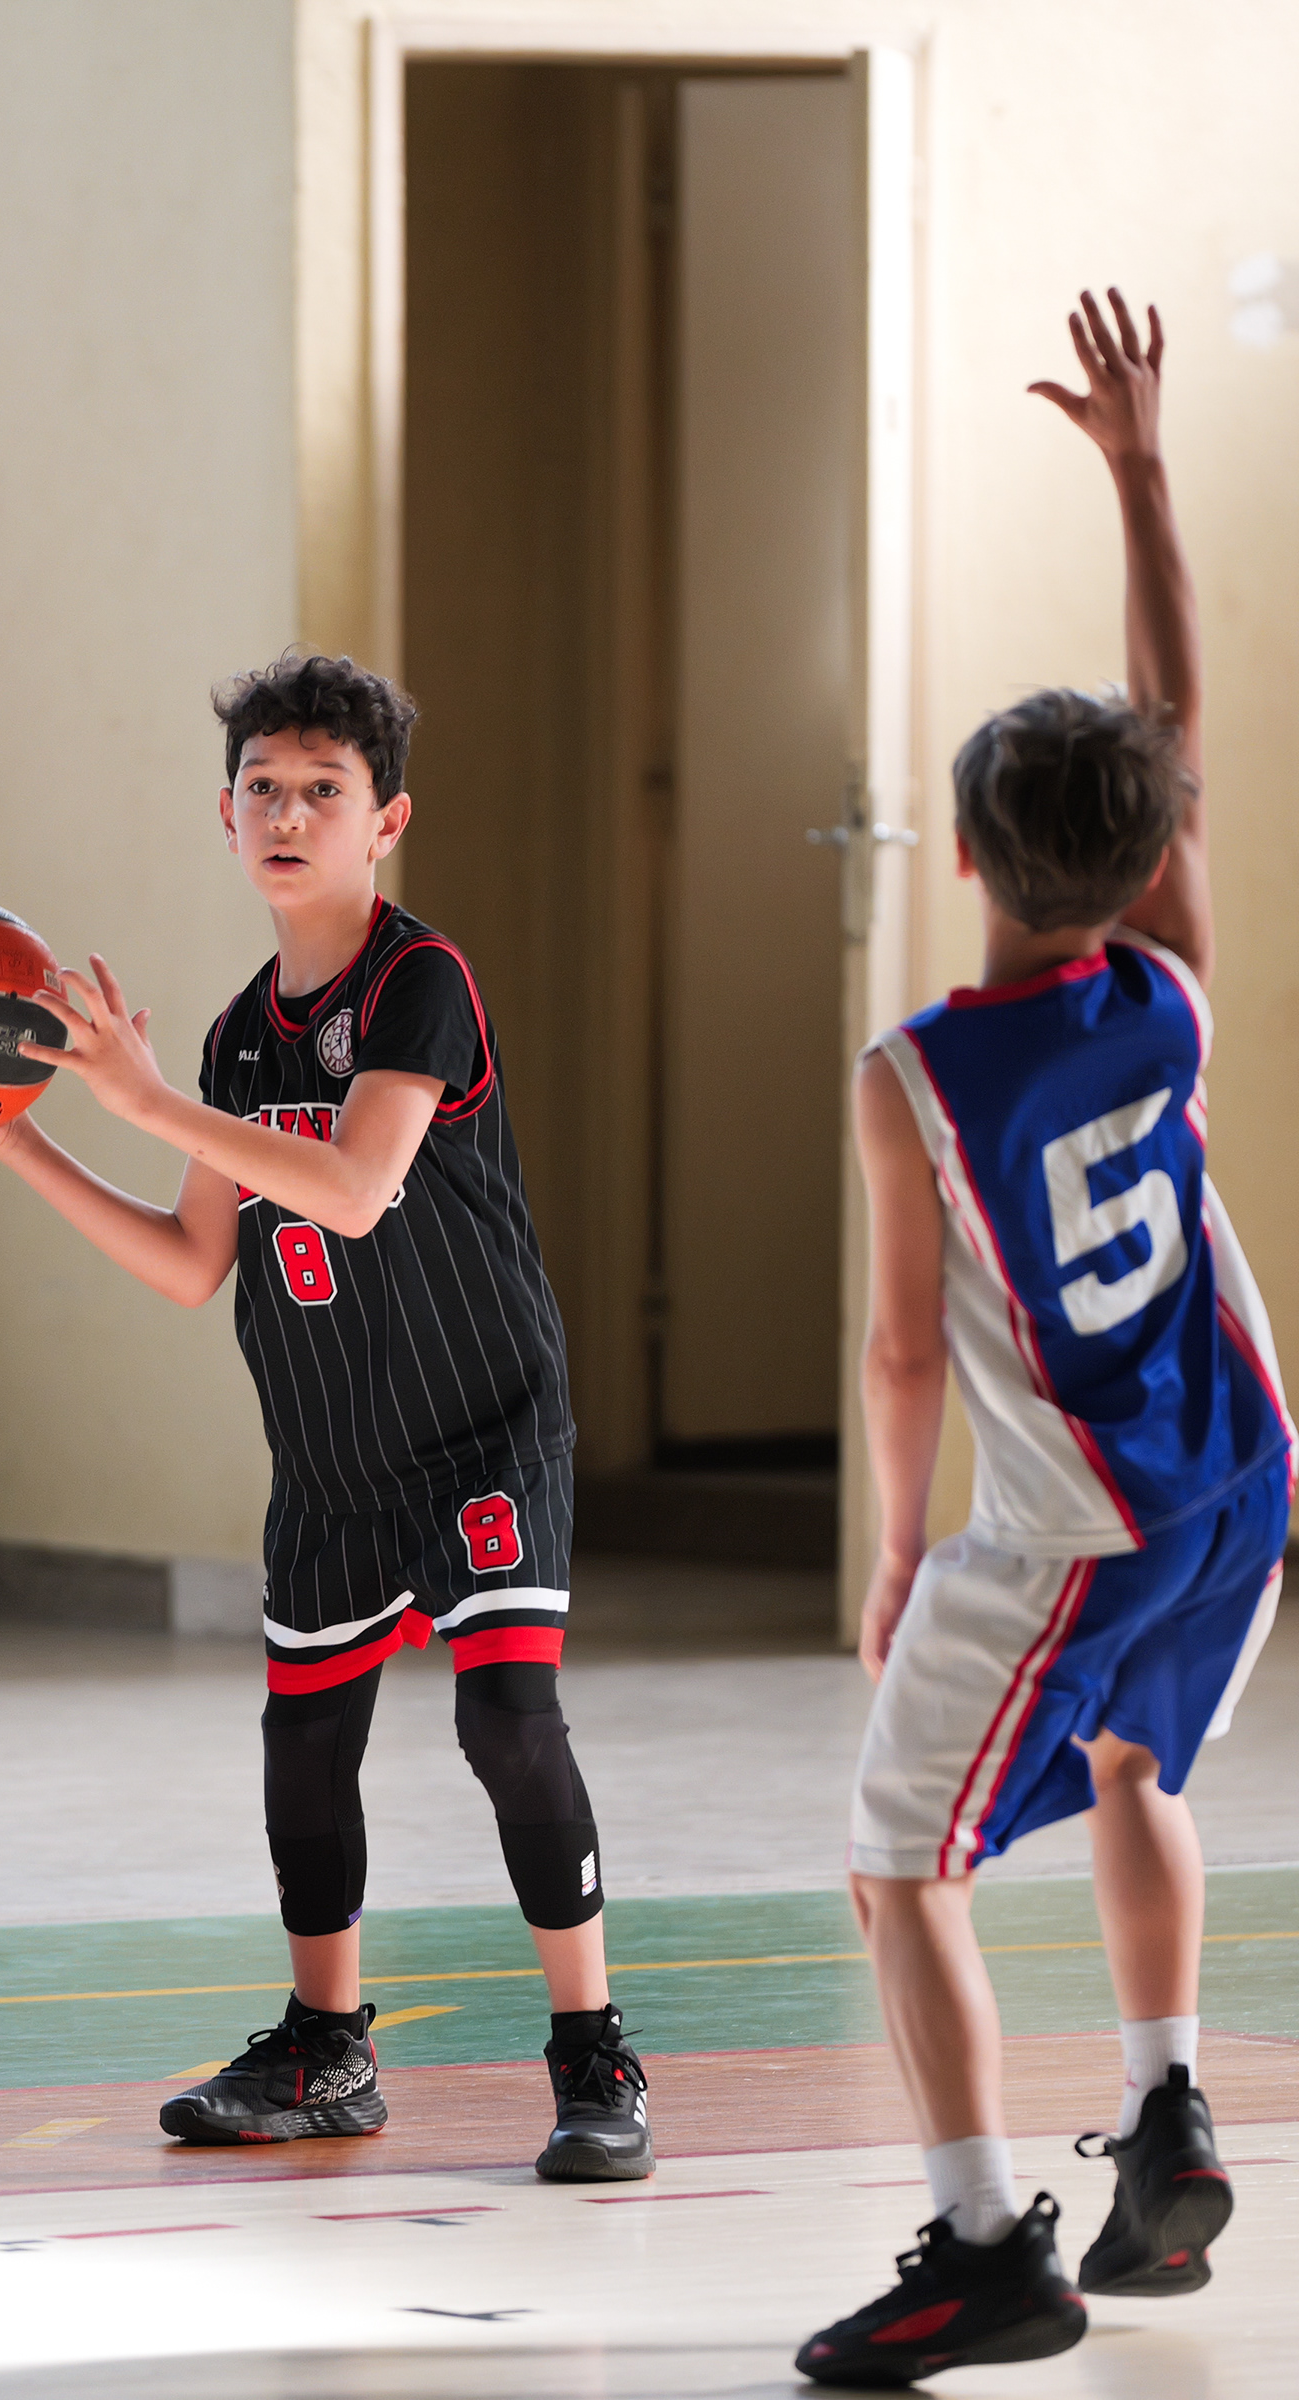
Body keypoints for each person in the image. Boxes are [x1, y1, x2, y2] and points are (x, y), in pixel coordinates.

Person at [0, 649, 650, 2182]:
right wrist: (14, 1141)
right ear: (225, 816)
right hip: (334, 1457)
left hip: (485, 1428)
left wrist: (145, 1104)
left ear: (385, 820)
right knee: (305, 1745)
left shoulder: (421, 982)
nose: (287, 814)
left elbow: (353, 1189)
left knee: (506, 1723)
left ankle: (594, 2053)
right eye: (262, 789)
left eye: (322, 791)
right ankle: (326, 2050)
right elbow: (189, 1262)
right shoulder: (231, 1039)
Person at [797, 291, 1293, 2387]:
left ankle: (986, 2246)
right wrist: (1144, 472)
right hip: (1243, 1476)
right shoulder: (1171, 982)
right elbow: (1178, 712)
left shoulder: (915, 1075)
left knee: (894, 1860)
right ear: (1152, 851)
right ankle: (1168, 2111)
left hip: (1070, 1522)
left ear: (965, 856)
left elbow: (905, 1357)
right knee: (1130, 1761)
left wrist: (899, 1552)